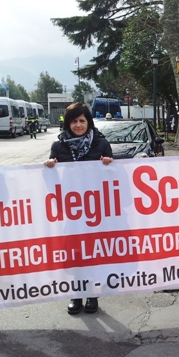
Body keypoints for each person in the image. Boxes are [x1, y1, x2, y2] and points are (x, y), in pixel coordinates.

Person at [44, 103, 114, 315]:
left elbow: (114, 176)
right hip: (72, 210)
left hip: (95, 210)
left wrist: (110, 164)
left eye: (82, 121)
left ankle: (92, 294)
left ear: (88, 122)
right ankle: (76, 293)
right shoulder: (59, 147)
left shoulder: (101, 144)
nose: (78, 125)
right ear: (68, 123)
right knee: (74, 252)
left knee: (92, 251)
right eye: (74, 121)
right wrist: (49, 167)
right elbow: (51, 181)